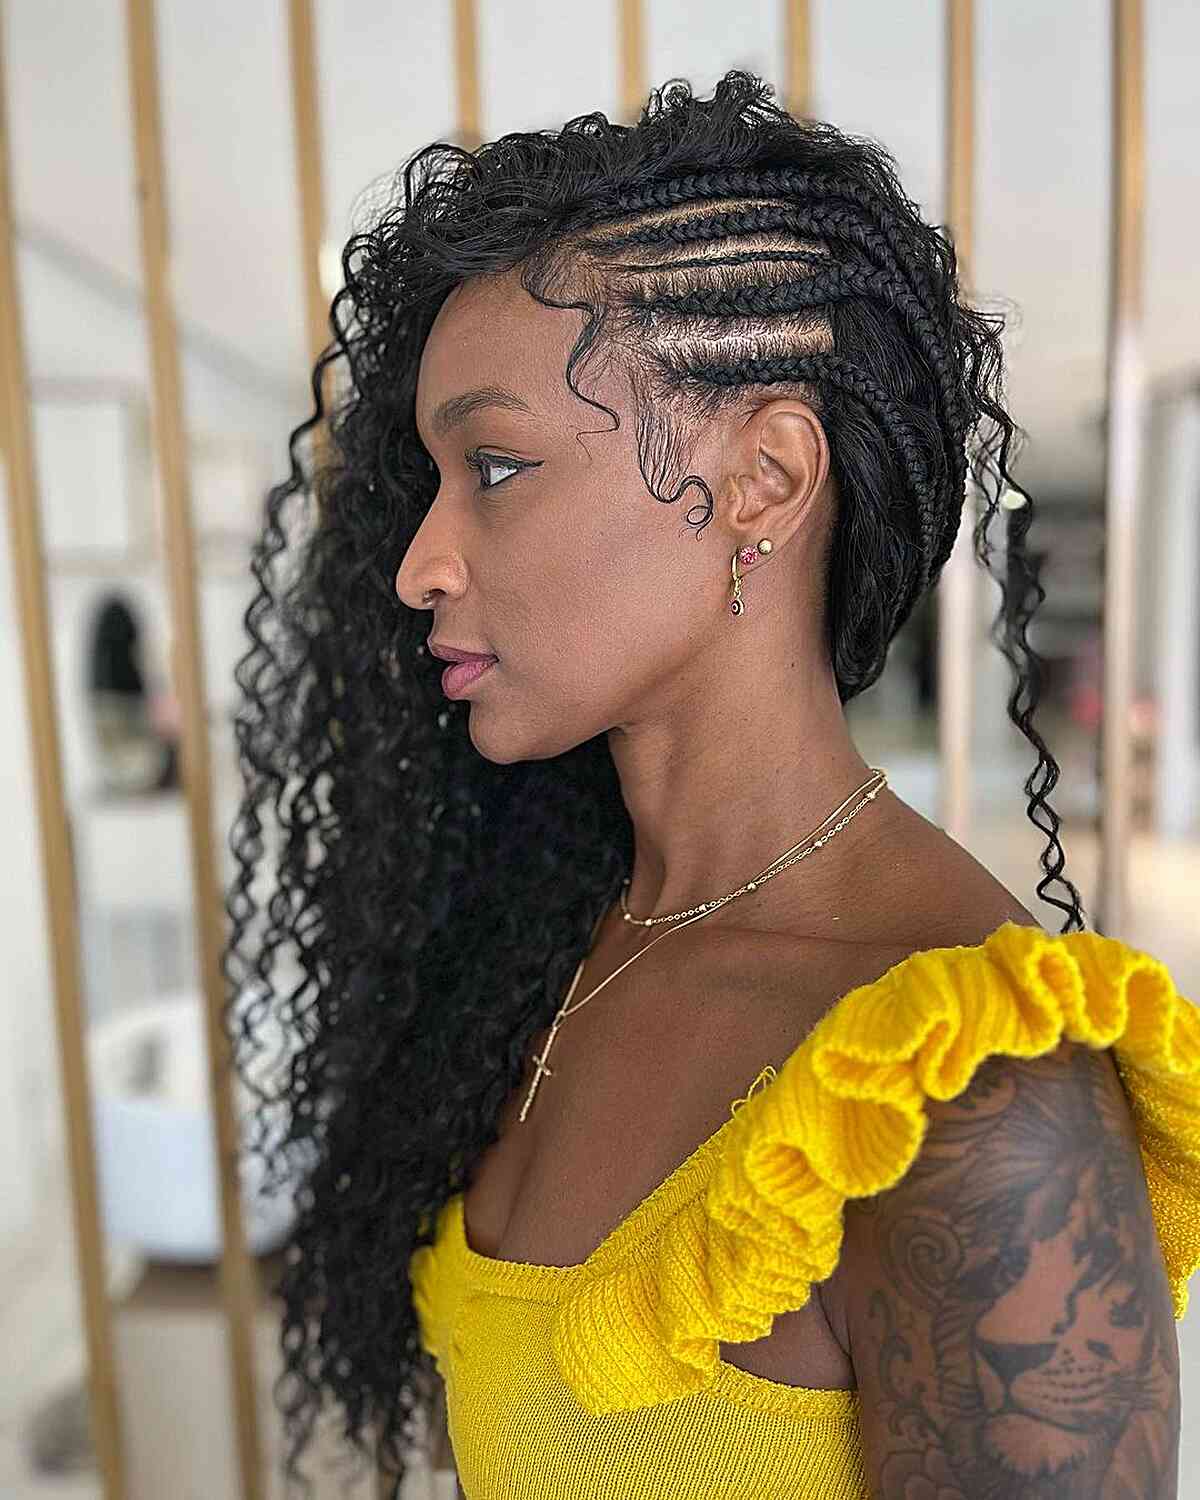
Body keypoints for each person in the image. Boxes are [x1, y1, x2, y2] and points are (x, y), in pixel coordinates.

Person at [223, 71, 1199, 1500]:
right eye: (431, 479)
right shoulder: (548, 934)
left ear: (765, 481)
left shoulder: (977, 1104)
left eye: (496, 465)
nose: (419, 563)